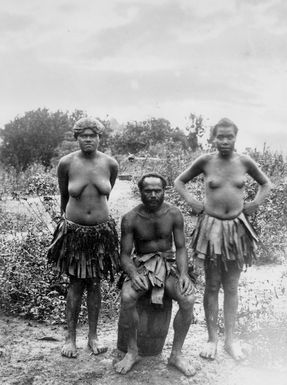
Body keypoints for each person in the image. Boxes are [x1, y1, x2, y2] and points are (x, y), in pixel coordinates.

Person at [174, 118, 272, 361]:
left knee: (231, 286)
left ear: (235, 137)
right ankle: (212, 339)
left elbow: (265, 183)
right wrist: (192, 202)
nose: (225, 141)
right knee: (212, 285)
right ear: (214, 138)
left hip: (237, 230)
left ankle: (230, 340)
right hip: (212, 229)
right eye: (221, 136)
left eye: (229, 136)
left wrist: (255, 204)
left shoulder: (245, 161)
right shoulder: (206, 161)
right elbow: (179, 181)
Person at [48, 117, 120, 358]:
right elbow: (63, 197)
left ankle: (93, 337)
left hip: (100, 233)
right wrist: (67, 224)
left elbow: (106, 195)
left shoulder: (110, 163)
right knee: (76, 283)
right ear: (77, 137)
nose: (88, 139)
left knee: (95, 283)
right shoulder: (66, 163)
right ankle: (70, 338)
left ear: (100, 137)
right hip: (75, 232)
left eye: (93, 135)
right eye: (83, 135)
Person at [114, 173, 196, 377]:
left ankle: (176, 354)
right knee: (127, 297)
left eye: (157, 191)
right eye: (148, 191)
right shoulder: (130, 218)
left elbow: (181, 247)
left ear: (164, 191)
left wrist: (184, 274)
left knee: (188, 299)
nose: (153, 195)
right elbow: (124, 255)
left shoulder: (174, 214)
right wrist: (133, 273)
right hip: (142, 264)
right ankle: (132, 352)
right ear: (140, 192)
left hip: (168, 264)